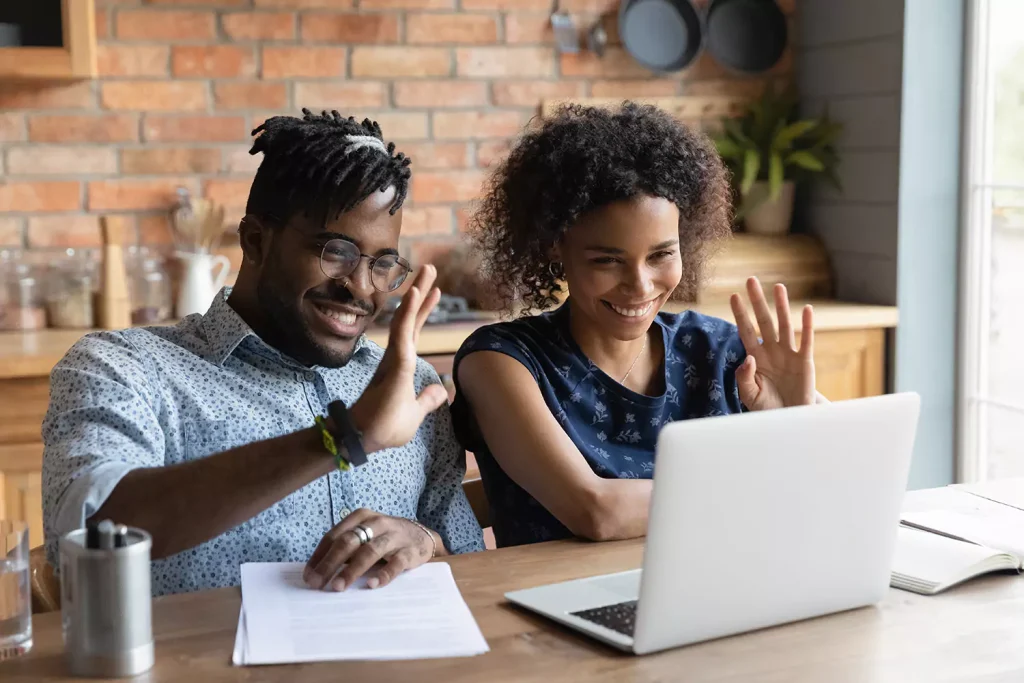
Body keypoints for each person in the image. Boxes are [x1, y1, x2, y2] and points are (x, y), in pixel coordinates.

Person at [42, 109, 484, 596]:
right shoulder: (126, 369)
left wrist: (422, 540)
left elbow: (465, 557)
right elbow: (90, 534)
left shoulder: (409, 385)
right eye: (335, 251)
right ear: (255, 241)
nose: (360, 288)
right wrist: (343, 436)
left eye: (382, 264)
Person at [451, 102, 824, 548]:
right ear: (555, 247)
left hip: (714, 591)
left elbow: (846, 482)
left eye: (661, 255)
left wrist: (799, 424)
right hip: (554, 601)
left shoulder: (720, 350)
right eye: (607, 260)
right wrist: (773, 471)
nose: (639, 285)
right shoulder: (502, 362)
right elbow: (598, 512)